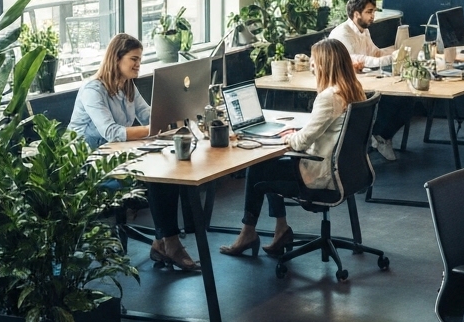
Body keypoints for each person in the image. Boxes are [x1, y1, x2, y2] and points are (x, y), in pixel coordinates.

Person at [219, 38, 365, 257]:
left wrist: (290, 137)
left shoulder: (329, 97)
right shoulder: (354, 90)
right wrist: (300, 132)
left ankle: (248, 232)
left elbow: (301, 142)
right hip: (349, 172)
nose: (312, 66)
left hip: (321, 176)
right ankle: (281, 229)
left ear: (325, 65)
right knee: (269, 165)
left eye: (315, 62)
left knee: (258, 168)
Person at [69, 33, 199, 272]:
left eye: (140, 59)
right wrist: (155, 127)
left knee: (169, 171)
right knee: (157, 177)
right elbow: (112, 132)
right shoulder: (93, 90)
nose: (138, 64)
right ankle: (169, 243)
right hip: (90, 167)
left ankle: (164, 241)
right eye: (134, 59)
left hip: (117, 158)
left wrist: (173, 114)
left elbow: (149, 115)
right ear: (116, 58)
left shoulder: (127, 86)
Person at [329, 0, 412, 162]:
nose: (373, 16)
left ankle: (380, 136)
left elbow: (375, 52)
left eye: (373, 11)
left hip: (365, 81)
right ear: (356, 14)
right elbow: (359, 59)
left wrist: (398, 51)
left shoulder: (364, 31)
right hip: (346, 86)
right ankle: (378, 136)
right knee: (394, 99)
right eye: (369, 12)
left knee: (408, 99)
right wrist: (391, 58)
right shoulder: (342, 34)